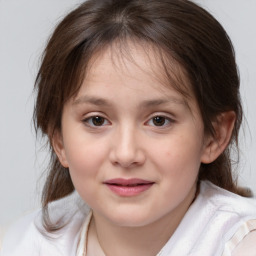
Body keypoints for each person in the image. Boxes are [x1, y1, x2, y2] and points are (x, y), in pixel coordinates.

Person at [1, 0, 256, 255]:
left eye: (159, 120)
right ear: (59, 140)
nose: (125, 154)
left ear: (214, 136)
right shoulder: (26, 244)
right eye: (97, 120)